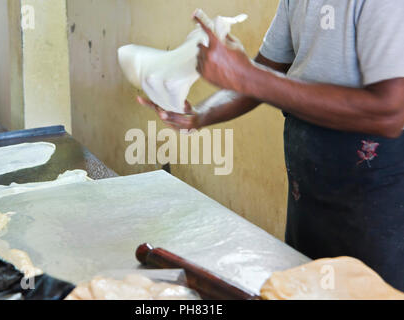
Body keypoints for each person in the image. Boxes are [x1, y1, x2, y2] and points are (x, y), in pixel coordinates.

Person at [137, 0, 404, 291]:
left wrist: (249, 76)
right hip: (310, 188)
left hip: (376, 201)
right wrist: (200, 115)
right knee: (304, 287)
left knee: (370, 291)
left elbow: (390, 112)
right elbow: (264, 71)